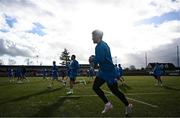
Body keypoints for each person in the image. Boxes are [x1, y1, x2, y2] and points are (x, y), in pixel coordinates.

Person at [90, 29, 132, 116]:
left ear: (98, 36)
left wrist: (92, 59)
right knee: (99, 88)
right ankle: (109, 104)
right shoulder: (103, 44)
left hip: (108, 72)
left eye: (93, 36)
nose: (92, 38)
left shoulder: (99, 46)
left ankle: (126, 105)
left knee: (113, 91)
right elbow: (101, 59)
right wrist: (94, 60)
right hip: (104, 71)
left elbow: (100, 59)